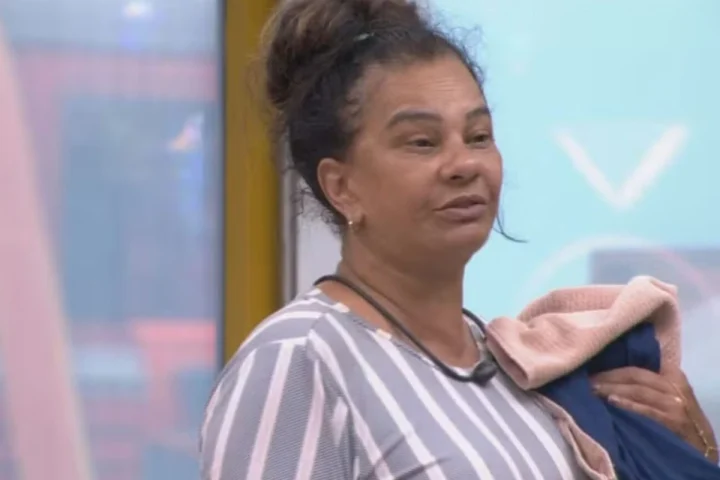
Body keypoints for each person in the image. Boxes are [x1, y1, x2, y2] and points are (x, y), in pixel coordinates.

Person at [200, 0, 717, 478]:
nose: (464, 164)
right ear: (342, 186)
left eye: (478, 136)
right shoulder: (300, 358)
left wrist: (695, 448)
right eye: (422, 142)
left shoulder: (520, 371)